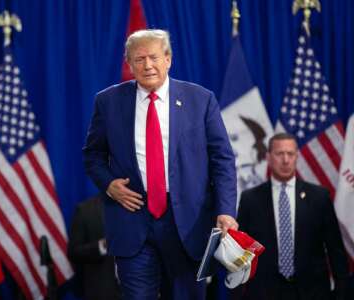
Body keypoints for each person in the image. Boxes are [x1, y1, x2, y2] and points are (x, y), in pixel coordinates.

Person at [83, 29, 238, 300]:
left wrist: (226, 210)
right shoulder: (107, 102)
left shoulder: (200, 100)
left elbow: (222, 160)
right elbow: (92, 155)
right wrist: (108, 184)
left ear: (168, 59)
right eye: (139, 59)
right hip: (132, 220)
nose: (148, 65)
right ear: (129, 64)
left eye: (154, 57)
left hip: (188, 224)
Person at [231, 133, 350, 300]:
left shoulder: (319, 197)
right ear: (268, 157)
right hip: (264, 292)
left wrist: (342, 292)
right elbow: (240, 253)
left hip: (312, 292)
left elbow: (335, 251)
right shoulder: (250, 199)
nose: (286, 160)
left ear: (297, 156)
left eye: (290, 154)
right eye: (280, 154)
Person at [68, 195, 121, 300]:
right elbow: (74, 252)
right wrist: (103, 245)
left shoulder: (140, 205)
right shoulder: (85, 210)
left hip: (139, 289)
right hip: (102, 291)